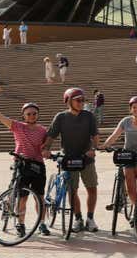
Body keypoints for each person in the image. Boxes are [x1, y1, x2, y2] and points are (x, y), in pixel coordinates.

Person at [0, 98, 50, 236]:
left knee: (40, 197)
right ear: (23, 115)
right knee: (23, 197)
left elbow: (46, 146)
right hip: (22, 164)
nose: (32, 116)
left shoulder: (43, 130)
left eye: (34, 113)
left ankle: (42, 223)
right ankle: (21, 224)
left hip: (38, 165)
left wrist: (46, 151)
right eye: (28, 114)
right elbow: (0, 117)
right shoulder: (17, 126)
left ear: (38, 115)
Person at [42, 87, 99, 233]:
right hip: (68, 158)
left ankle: (90, 218)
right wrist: (46, 148)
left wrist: (93, 149)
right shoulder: (61, 117)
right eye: (78, 100)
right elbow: (51, 135)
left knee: (91, 188)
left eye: (83, 100)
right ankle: (78, 218)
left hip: (86, 159)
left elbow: (95, 136)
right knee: (72, 191)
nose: (81, 102)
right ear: (68, 101)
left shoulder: (89, 116)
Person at [100, 96, 137, 220]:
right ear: (130, 109)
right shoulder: (125, 121)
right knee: (130, 185)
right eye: (134, 107)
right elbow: (115, 135)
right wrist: (104, 145)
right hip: (128, 155)